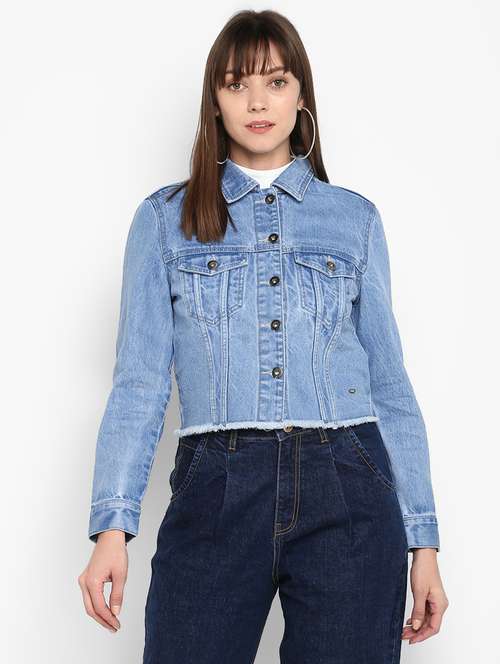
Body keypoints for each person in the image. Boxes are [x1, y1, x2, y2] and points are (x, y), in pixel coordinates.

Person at [78, 9, 448, 663]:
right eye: (236, 83)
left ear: (301, 96)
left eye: (276, 82)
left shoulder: (354, 220)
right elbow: (139, 383)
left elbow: (389, 387)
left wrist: (424, 541)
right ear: (214, 100)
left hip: (348, 483)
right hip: (215, 485)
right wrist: (113, 525)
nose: (257, 101)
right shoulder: (164, 221)